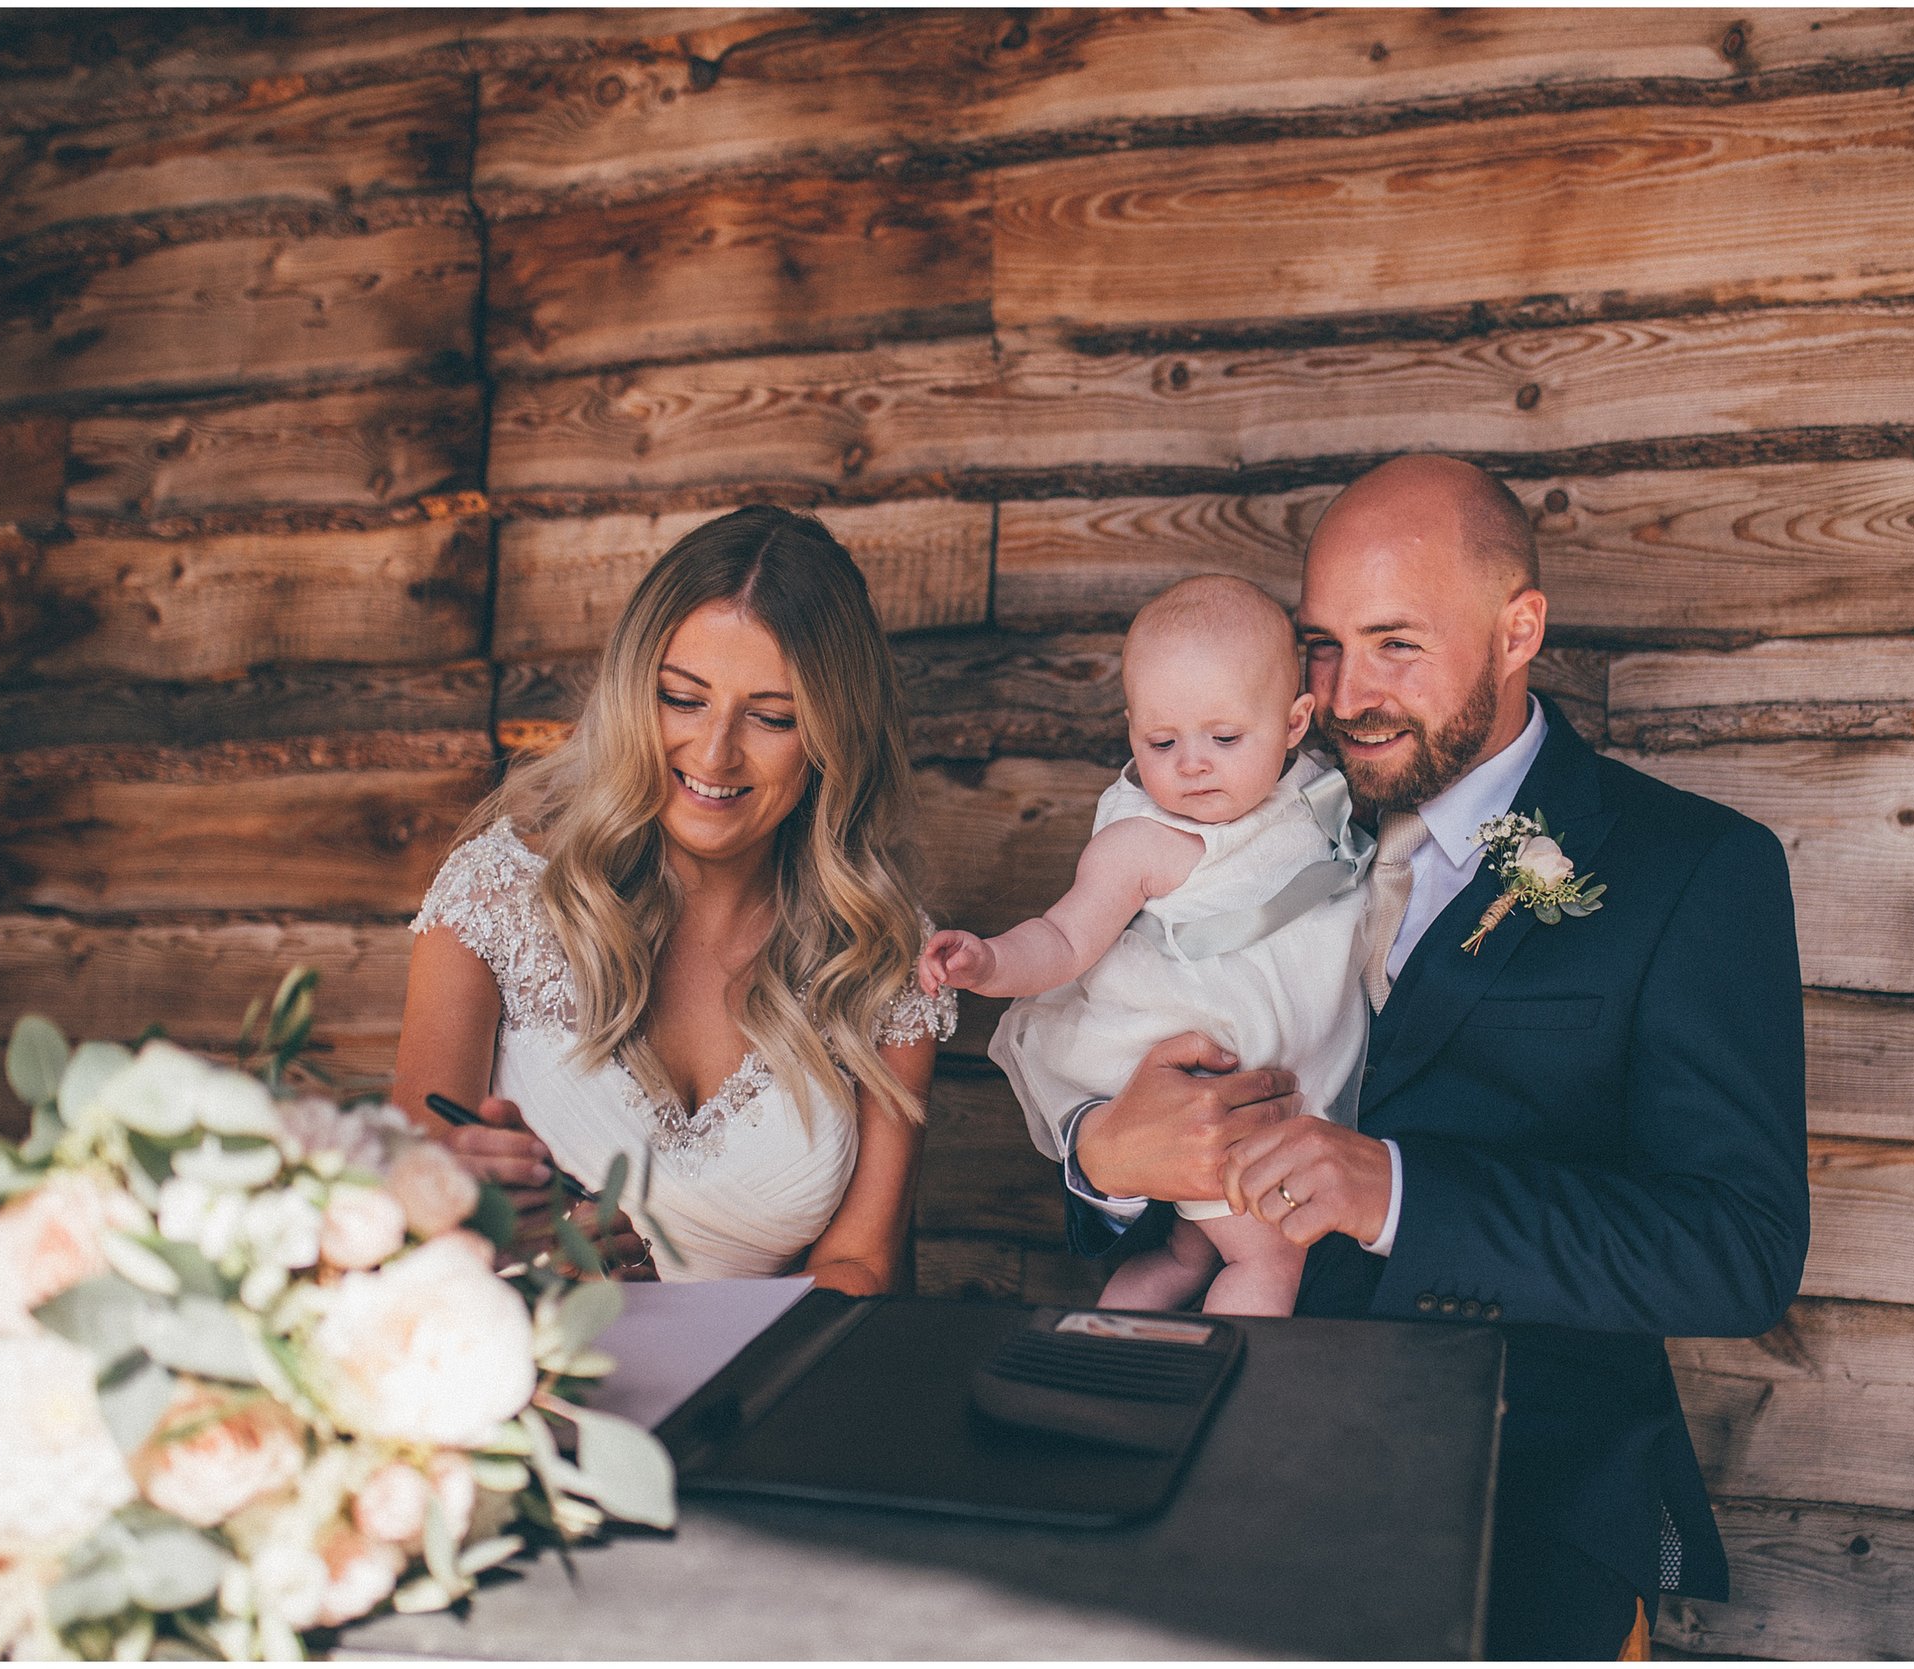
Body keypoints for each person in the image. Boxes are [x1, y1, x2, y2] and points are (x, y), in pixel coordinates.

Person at [1058, 456, 1809, 1659]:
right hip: (1191, 1459)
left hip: (1516, 1496)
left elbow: (1738, 1249)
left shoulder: (1692, 869)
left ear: (1519, 631)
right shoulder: (1232, 811)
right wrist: (1102, 1156)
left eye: (1395, 645)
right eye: (1321, 645)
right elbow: (1122, 1057)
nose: (1351, 694)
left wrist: (1398, 1194)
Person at [392, 506, 955, 1290]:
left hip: (762, 1397)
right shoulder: (494, 899)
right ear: (633, 691)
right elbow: (405, 1209)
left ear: (833, 737)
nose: (715, 752)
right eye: (683, 699)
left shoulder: (886, 958)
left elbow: (861, 1261)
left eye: (772, 717)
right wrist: (490, 1223)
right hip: (526, 1378)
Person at [920, 576, 1371, 1316]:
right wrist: (991, 961)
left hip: (1270, 1081)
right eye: (1161, 742)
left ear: (1295, 725)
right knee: (1270, 1254)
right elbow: (1066, 936)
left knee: (1187, 1250)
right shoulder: (1145, 838)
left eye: (1224, 738)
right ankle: (1223, 1386)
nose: (1192, 763)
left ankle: (1105, 1338)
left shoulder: (1312, 796)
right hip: (1198, 1086)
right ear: (1131, 728)